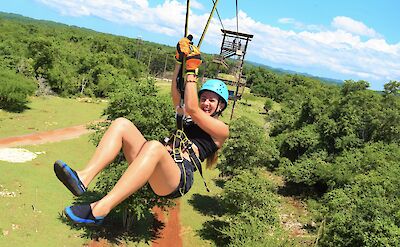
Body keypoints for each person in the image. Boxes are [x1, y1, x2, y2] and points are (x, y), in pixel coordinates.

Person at [53, 36, 230, 225]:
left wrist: (192, 70)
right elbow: (176, 96)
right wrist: (179, 62)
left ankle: (100, 209)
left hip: (177, 177)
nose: (206, 103)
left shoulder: (220, 130)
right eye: (204, 98)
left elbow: (193, 108)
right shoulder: (188, 116)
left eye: (212, 100)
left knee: (154, 146)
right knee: (121, 124)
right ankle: (84, 177)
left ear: (220, 106)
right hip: (155, 166)